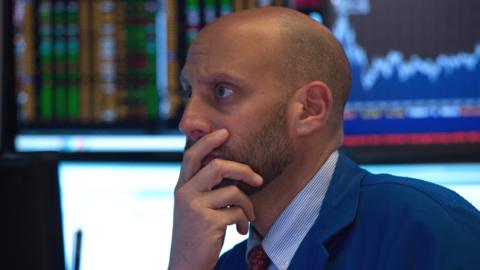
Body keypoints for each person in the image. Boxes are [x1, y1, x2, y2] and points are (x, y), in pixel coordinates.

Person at [168, 6, 480, 270]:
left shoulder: (425, 231)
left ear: (310, 109)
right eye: (188, 92)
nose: (188, 121)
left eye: (222, 91)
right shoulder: (218, 263)